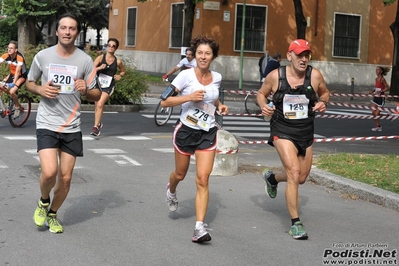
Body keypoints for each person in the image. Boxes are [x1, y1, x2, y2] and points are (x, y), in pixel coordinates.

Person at [26, 13, 101, 234]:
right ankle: (43, 201)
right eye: (63, 28)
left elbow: (96, 95)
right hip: (47, 122)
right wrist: (40, 89)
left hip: (72, 125)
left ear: (76, 32)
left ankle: (53, 214)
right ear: (57, 31)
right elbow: (29, 82)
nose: (67, 32)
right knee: (50, 173)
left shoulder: (85, 61)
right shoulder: (43, 56)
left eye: (72, 28)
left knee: (66, 178)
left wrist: (85, 90)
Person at [256, 39, 330, 240]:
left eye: (306, 55)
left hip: (305, 132)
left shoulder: (314, 75)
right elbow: (261, 94)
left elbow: (325, 93)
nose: (303, 59)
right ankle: (295, 223)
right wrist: (264, 105)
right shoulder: (275, 76)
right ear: (289, 56)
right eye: (299, 55)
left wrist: (323, 102)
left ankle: (272, 178)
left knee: (301, 177)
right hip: (282, 129)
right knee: (294, 172)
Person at [161, 35, 229, 243]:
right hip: (186, 130)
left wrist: (219, 106)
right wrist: (188, 97)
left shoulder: (216, 77)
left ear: (213, 56)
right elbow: (164, 102)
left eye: (207, 53)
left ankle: (199, 227)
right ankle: (171, 190)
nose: (203, 56)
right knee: (180, 174)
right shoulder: (185, 76)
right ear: (195, 55)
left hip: (207, 132)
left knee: (203, 178)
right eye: (200, 52)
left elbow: (213, 96)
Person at [90, 38, 126, 137]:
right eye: (109, 45)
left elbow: (123, 71)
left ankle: (95, 127)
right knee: (97, 105)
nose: (110, 47)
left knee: (100, 103)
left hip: (109, 85)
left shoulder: (118, 61)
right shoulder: (100, 58)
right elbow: (91, 69)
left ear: (116, 48)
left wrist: (120, 75)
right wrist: (99, 68)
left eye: (113, 46)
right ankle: (98, 124)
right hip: (98, 84)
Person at [0, 41, 28, 118]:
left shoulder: (19, 57)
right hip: (12, 75)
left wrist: (13, 83)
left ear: (16, 50)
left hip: (21, 76)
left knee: (12, 91)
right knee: (1, 88)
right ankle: (4, 108)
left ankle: (18, 107)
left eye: (11, 48)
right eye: (8, 48)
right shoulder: (6, 55)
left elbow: (18, 70)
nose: (9, 49)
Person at [369, 66, 390, 131]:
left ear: (381, 71)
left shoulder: (382, 79)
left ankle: (386, 116)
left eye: (378, 70)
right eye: (376, 70)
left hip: (381, 98)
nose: (376, 71)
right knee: (373, 112)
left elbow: (387, 87)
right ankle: (378, 126)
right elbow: (377, 87)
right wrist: (372, 91)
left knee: (377, 114)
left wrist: (381, 91)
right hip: (375, 97)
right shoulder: (376, 79)